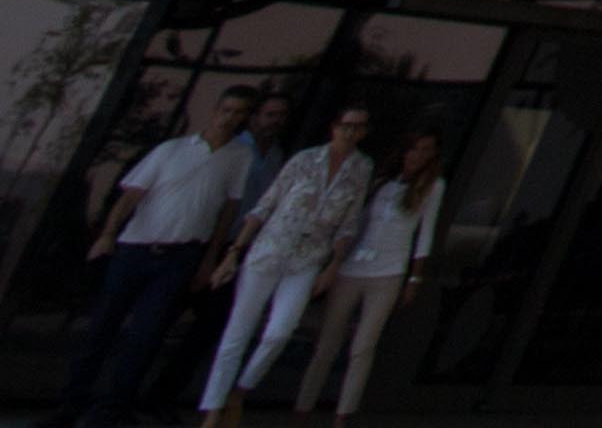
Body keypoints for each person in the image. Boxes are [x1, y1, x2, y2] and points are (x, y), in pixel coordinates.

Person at [62, 99, 256, 428]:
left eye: (238, 113)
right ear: (215, 111)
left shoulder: (239, 157)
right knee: (102, 329)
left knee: (146, 336)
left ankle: (113, 408)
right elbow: (131, 195)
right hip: (136, 249)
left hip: (181, 255)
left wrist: (209, 259)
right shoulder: (173, 149)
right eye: (225, 109)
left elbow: (228, 209)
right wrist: (109, 234)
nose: (229, 117)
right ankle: (71, 405)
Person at [194, 108, 373, 427]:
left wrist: (334, 264)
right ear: (334, 127)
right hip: (271, 248)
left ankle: (241, 388)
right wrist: (234, 252)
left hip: (308, 257)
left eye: (358, 128)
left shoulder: (361, 168)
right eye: (346, 126)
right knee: (238, 330)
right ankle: (213, 410)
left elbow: (349, 221)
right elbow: (267, 204)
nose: (350, 133)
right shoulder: (305, 160)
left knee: (280, 331)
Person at [290, 135, 438, 422]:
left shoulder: (431, 187)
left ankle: (342, 414)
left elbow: (425, 236)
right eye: (413, 149)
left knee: (363, 347)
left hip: (388, 272)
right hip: (352, 268)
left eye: (425, 151)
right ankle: (303, 408)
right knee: (327, 343)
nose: (417, 157)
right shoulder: (381, 181)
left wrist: (414, 279)